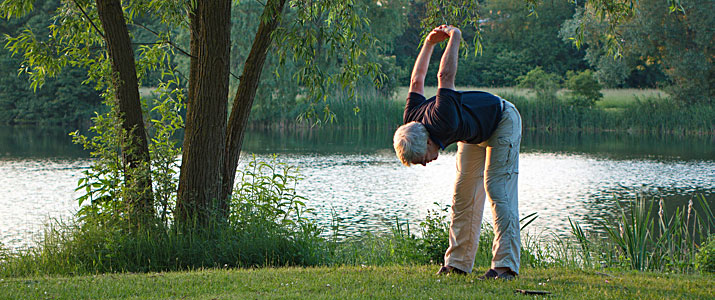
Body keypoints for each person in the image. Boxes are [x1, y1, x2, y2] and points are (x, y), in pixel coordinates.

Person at [393, 25, 522, 280]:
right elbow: (416, 81)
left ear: (428, 143)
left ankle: (505, 267)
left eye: (422, 160)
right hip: (473, 132)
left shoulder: (443, 119)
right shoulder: (411, 120)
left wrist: (455, 37)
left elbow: (445, 76)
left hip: (502, 120)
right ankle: (457, 264)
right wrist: (428, 43)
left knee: (497, 189)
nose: (426, 164)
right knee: (463, 195)